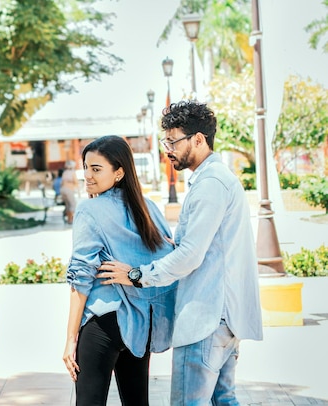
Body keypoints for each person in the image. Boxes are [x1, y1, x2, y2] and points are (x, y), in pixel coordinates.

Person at [100, 100, 263, 405]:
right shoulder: (218, 179)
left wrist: (136, 275)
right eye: (166, 141)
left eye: (173, 141)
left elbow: (191, 255)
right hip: (225, 318)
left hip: (206, 318)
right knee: (225, 400)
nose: (168, 149)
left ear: (198, 140)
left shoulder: (211, 184)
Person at [62, 135, 177, 406]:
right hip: (139, 323)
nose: (87, 175)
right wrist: (135, 274)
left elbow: (81, 277)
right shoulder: (149, 208)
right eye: (86, 167)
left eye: (96, 169)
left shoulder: (90, 210)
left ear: (119, 172)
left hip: (103, 323)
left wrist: (70, 338)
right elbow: (169, 260)